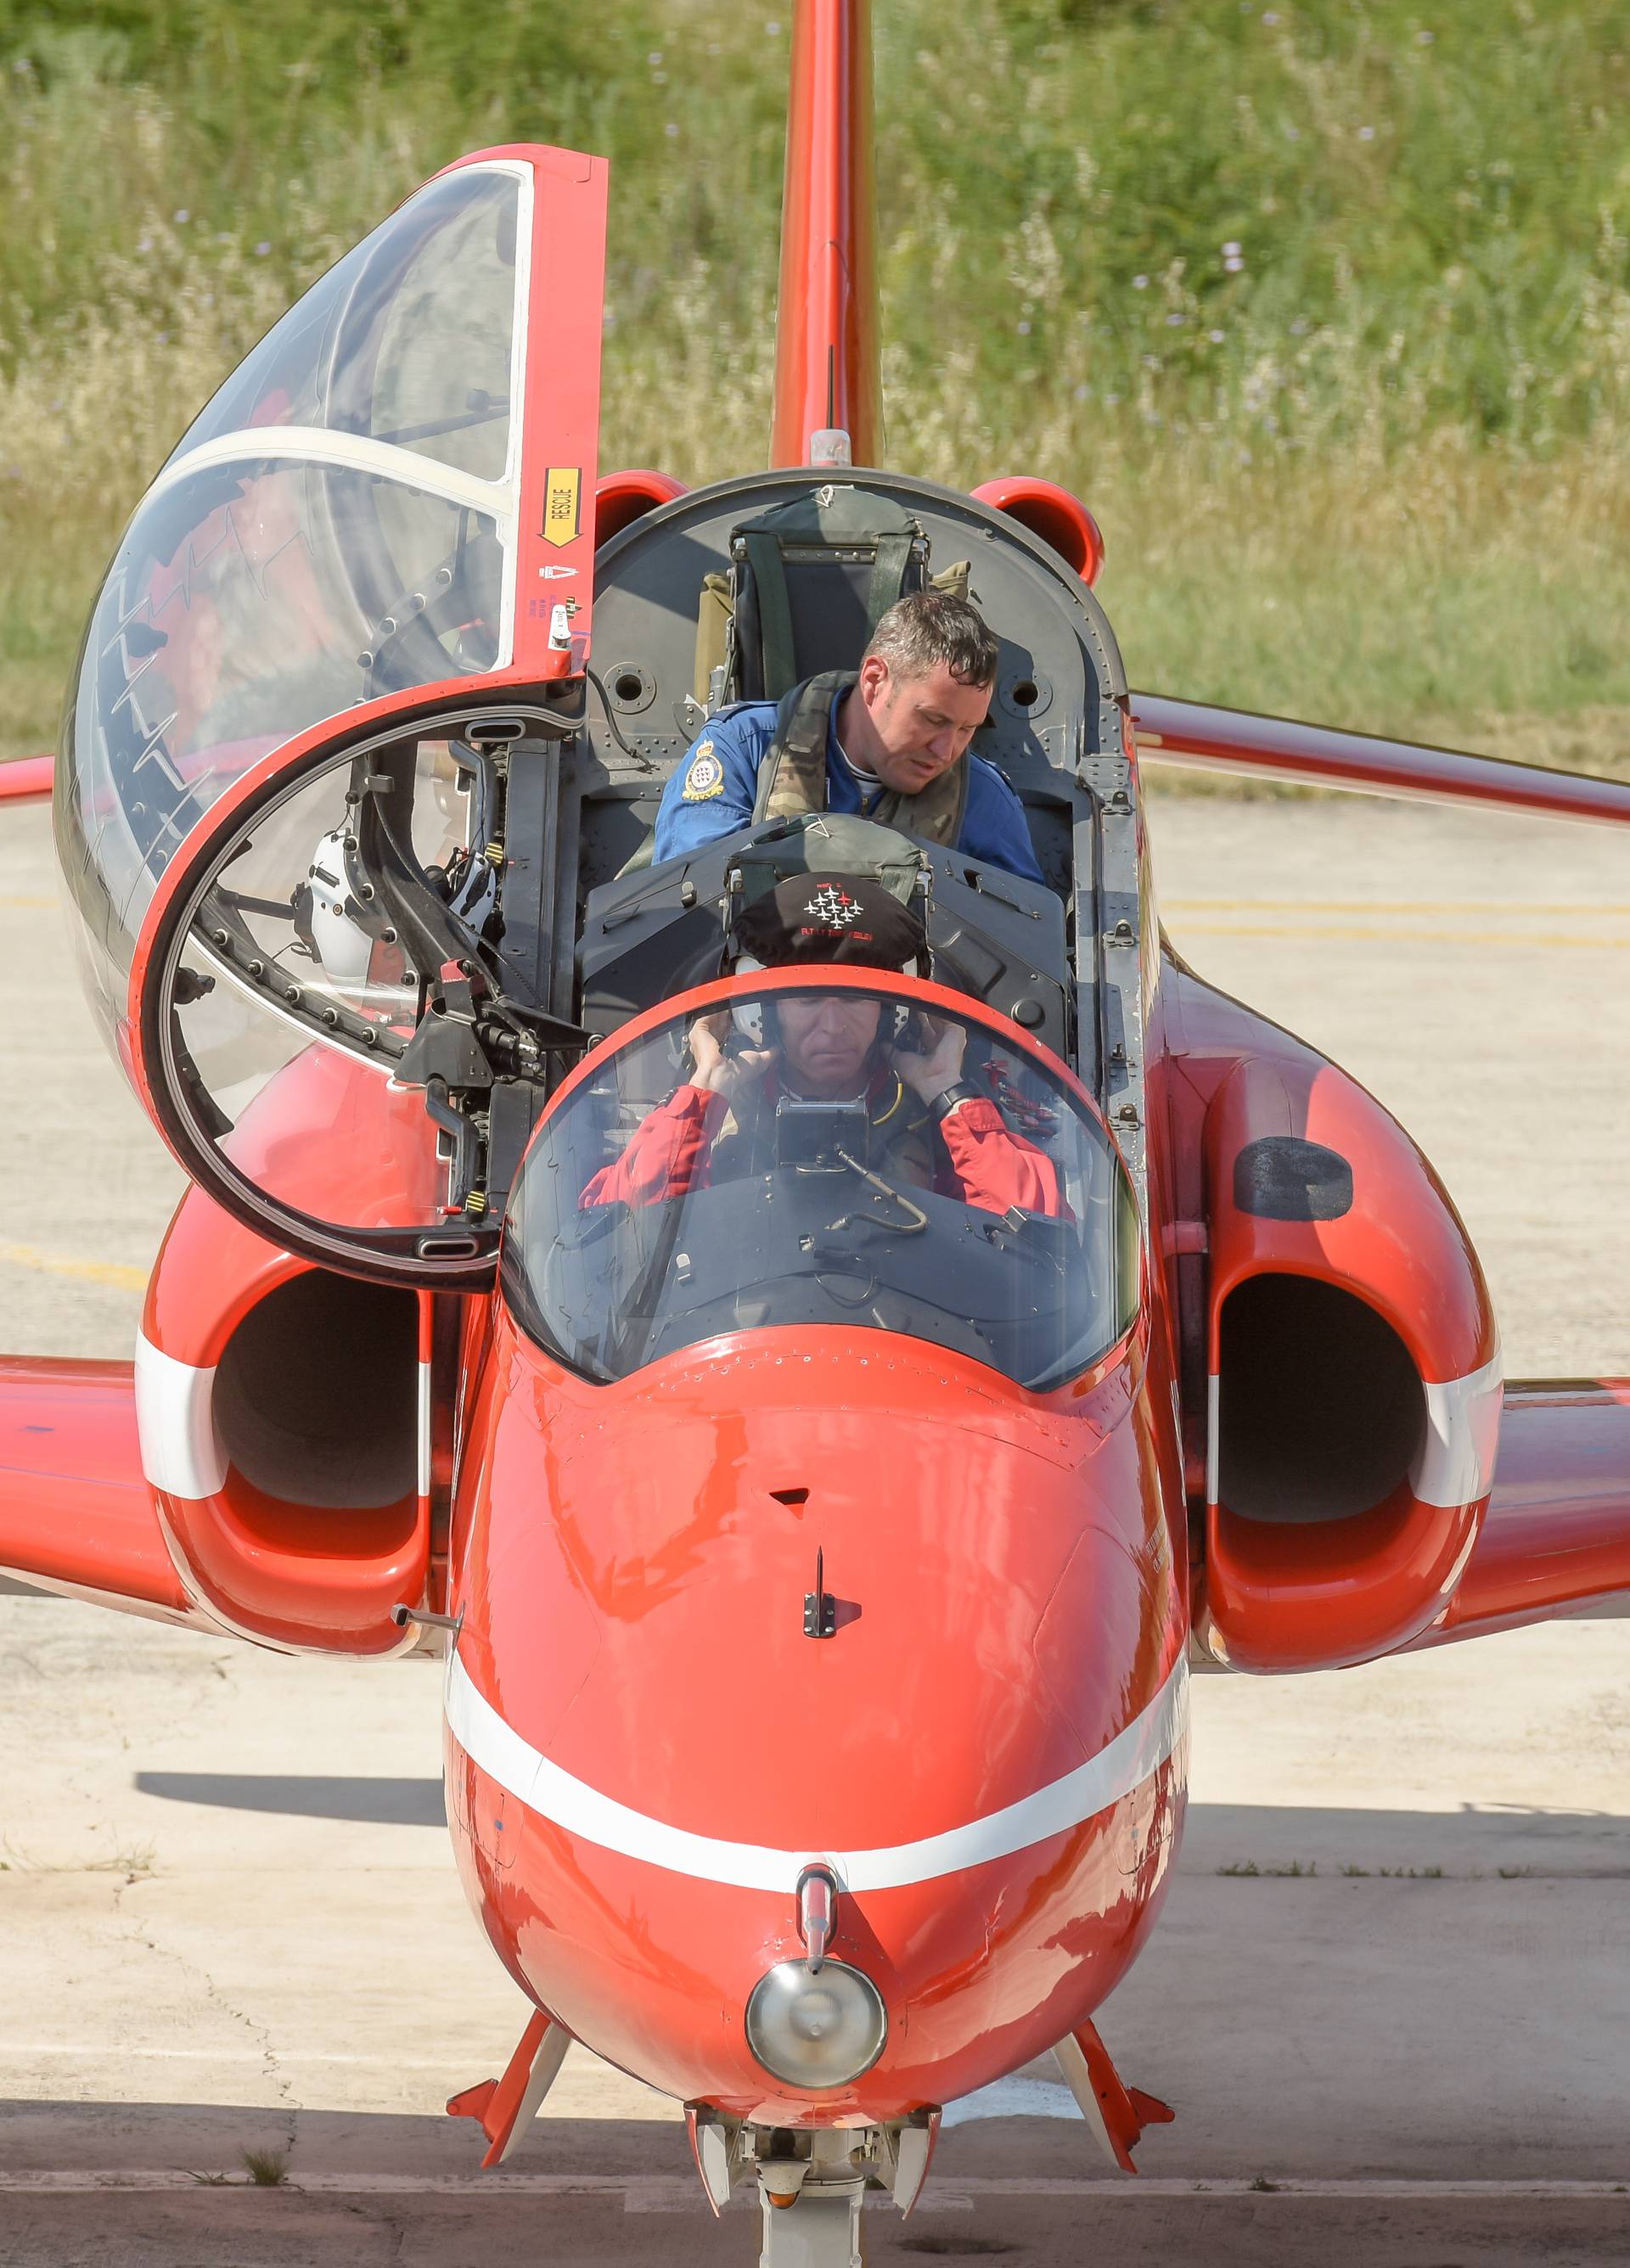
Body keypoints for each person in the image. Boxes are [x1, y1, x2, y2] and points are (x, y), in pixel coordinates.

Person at [580, 873, 1063, 1217]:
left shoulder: (937, 1118)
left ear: (891, 1013)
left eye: (856, 999)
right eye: (808, 999)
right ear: (761, 1014)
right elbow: (622, 1235)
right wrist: (706, 1091)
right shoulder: (713, 1117)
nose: (833, 1026)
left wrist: (947, 1092)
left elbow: (1038, 1237)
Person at [650, 591, 1044, 884]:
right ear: (874, 681)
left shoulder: (982, 796)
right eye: (932, 719)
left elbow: (1023, 938)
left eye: (966, 730)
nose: (946, 751)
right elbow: (686, 891)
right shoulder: (747, 749)